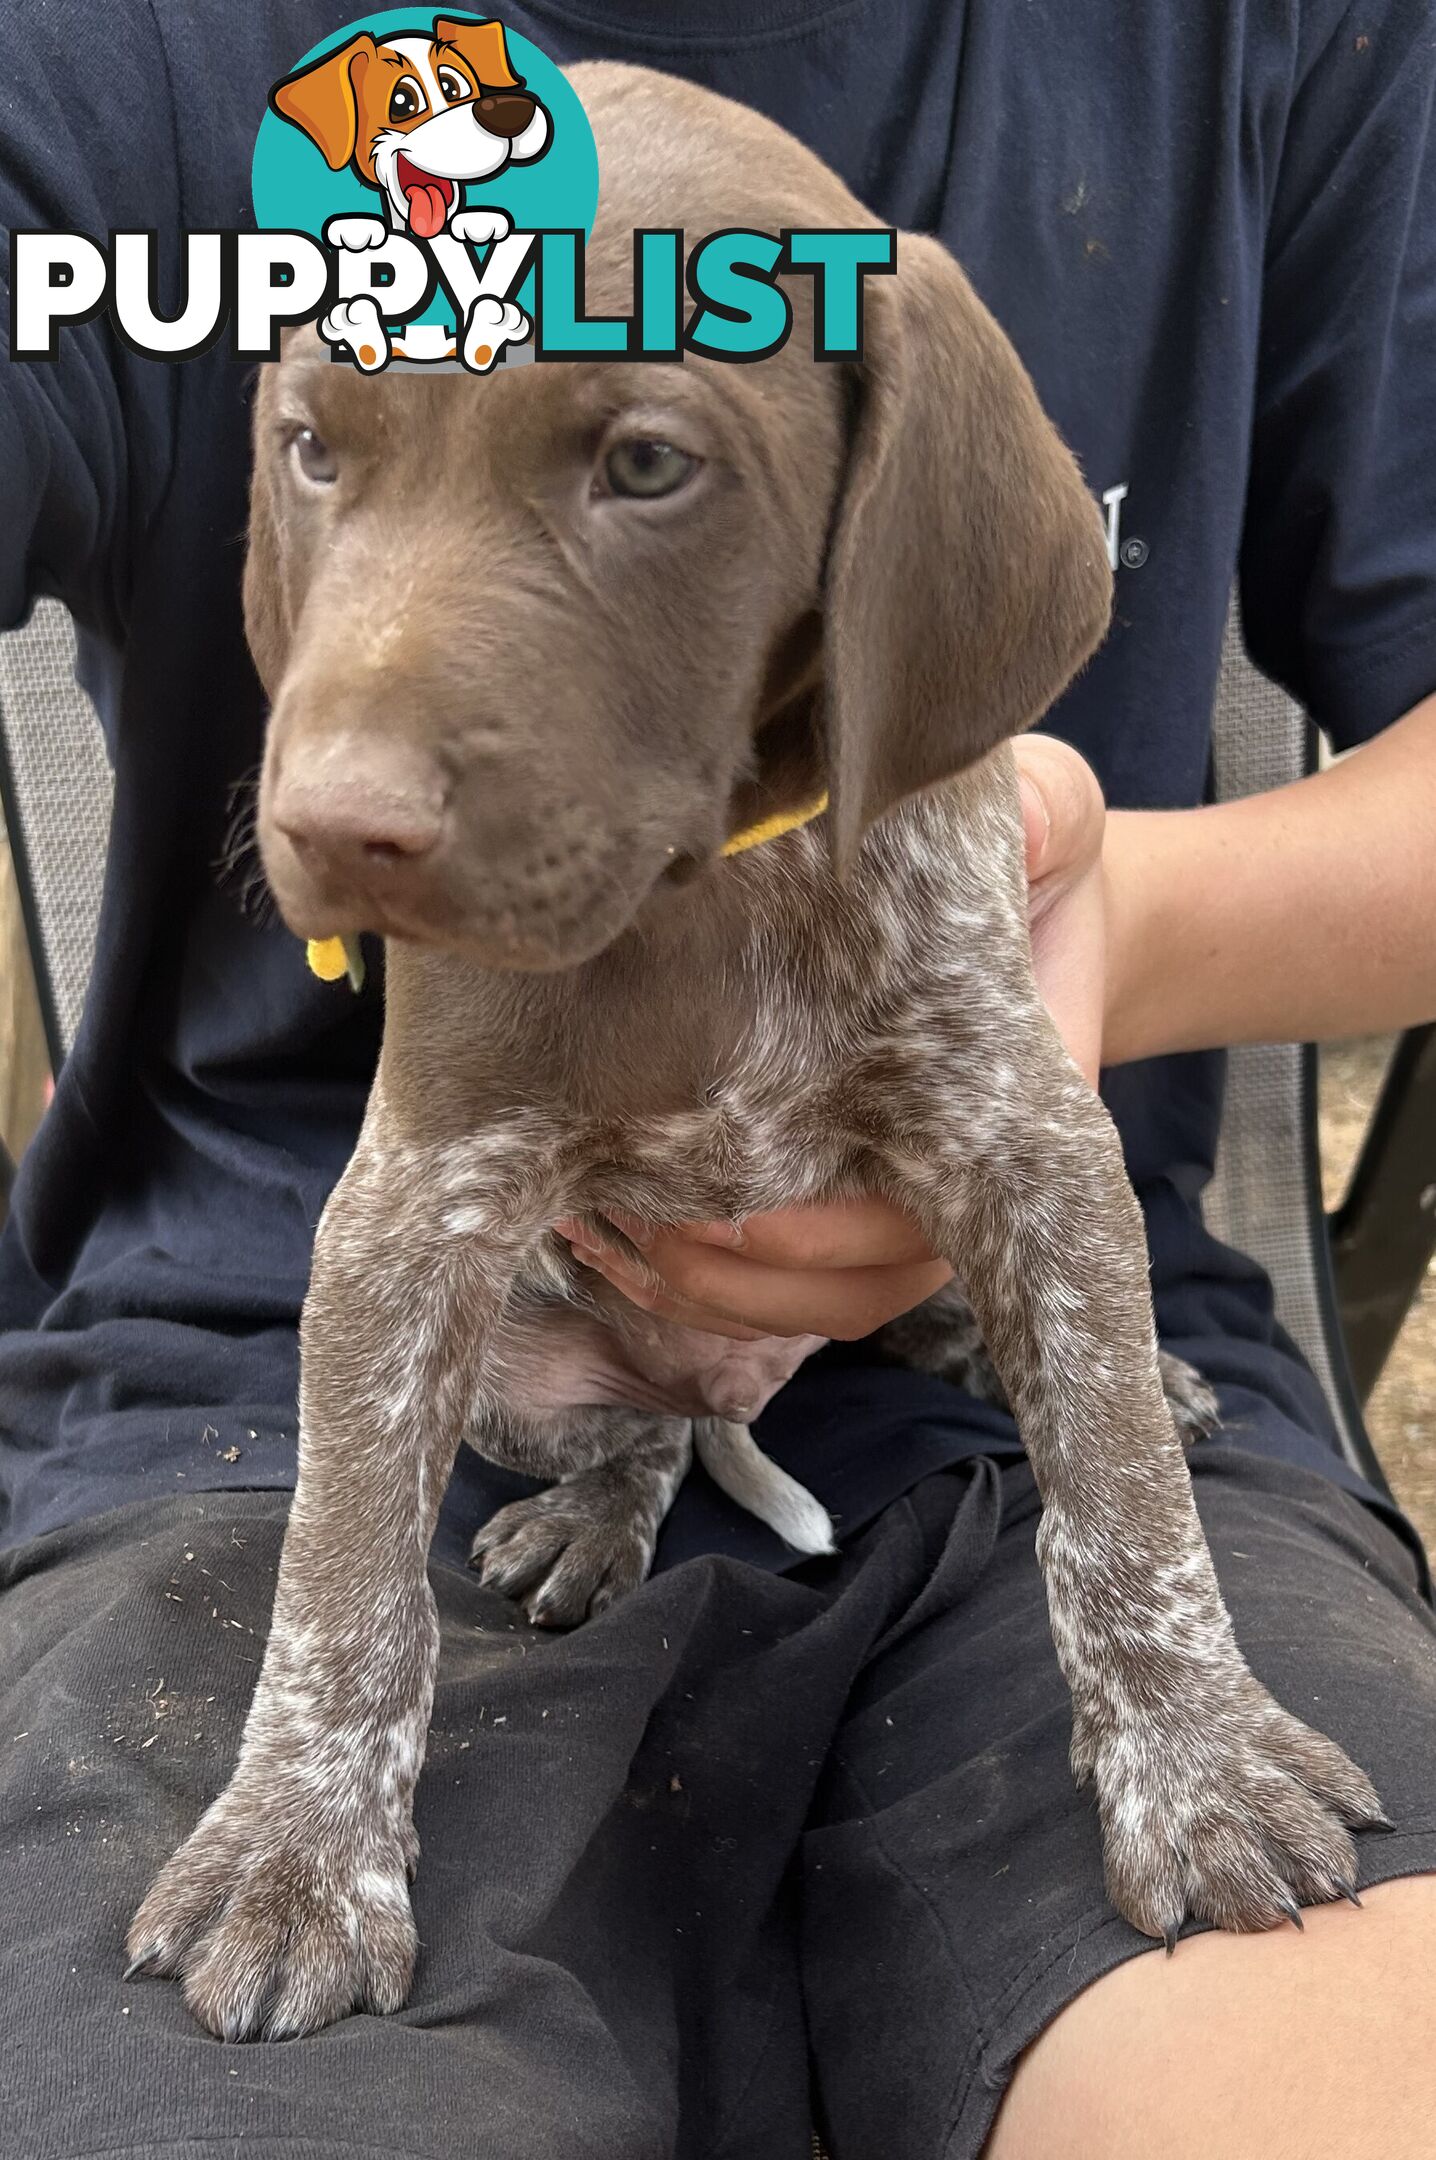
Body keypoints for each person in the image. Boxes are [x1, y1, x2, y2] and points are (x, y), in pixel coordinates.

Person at [2, 2, 1435, 2155]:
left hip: (1018, 1413)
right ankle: (588, 1513)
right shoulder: (123, 61)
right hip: (271, 1415)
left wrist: (1122, 922)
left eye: (648, 462)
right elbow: (402, 1242)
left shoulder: (1258, 41)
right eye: (323, 448)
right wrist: (321, 1761)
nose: (352, 760)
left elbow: (1036, 1167)